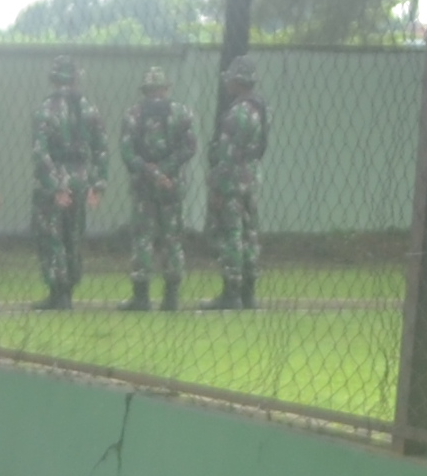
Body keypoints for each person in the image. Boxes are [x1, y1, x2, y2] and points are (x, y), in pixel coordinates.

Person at [119, 64, 197, 312]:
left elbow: (127, 152)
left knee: (143, 238)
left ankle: (141, 297)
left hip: (144, 186)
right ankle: (171, 297)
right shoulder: (181, 113)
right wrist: (165, 169)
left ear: (145, 89)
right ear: (165, 88)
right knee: (172, 239)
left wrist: (151, 171)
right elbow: (189, 147)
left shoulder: (133, 114)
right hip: (171, 185)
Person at [29, 57, 103, 311]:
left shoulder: (45, 110)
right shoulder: (90, 110)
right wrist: (97, 184)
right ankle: (69, 292)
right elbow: (101, 149)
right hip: (82, 177)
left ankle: (57, 293)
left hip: (56, 175)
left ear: (52, 79)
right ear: (76, 78)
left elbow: (40, 152)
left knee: (51, 234)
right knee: (74, 236)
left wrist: (55, 186)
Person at [206, 56, 270, 313]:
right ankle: (248, 293)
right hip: (251, 178)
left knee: (231, 234)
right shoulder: (260, 110)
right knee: (249, 234)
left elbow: (226, 155)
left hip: (231, 180)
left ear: (237, 81)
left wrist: (218, 188)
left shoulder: (236, 113)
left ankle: (231, 292)